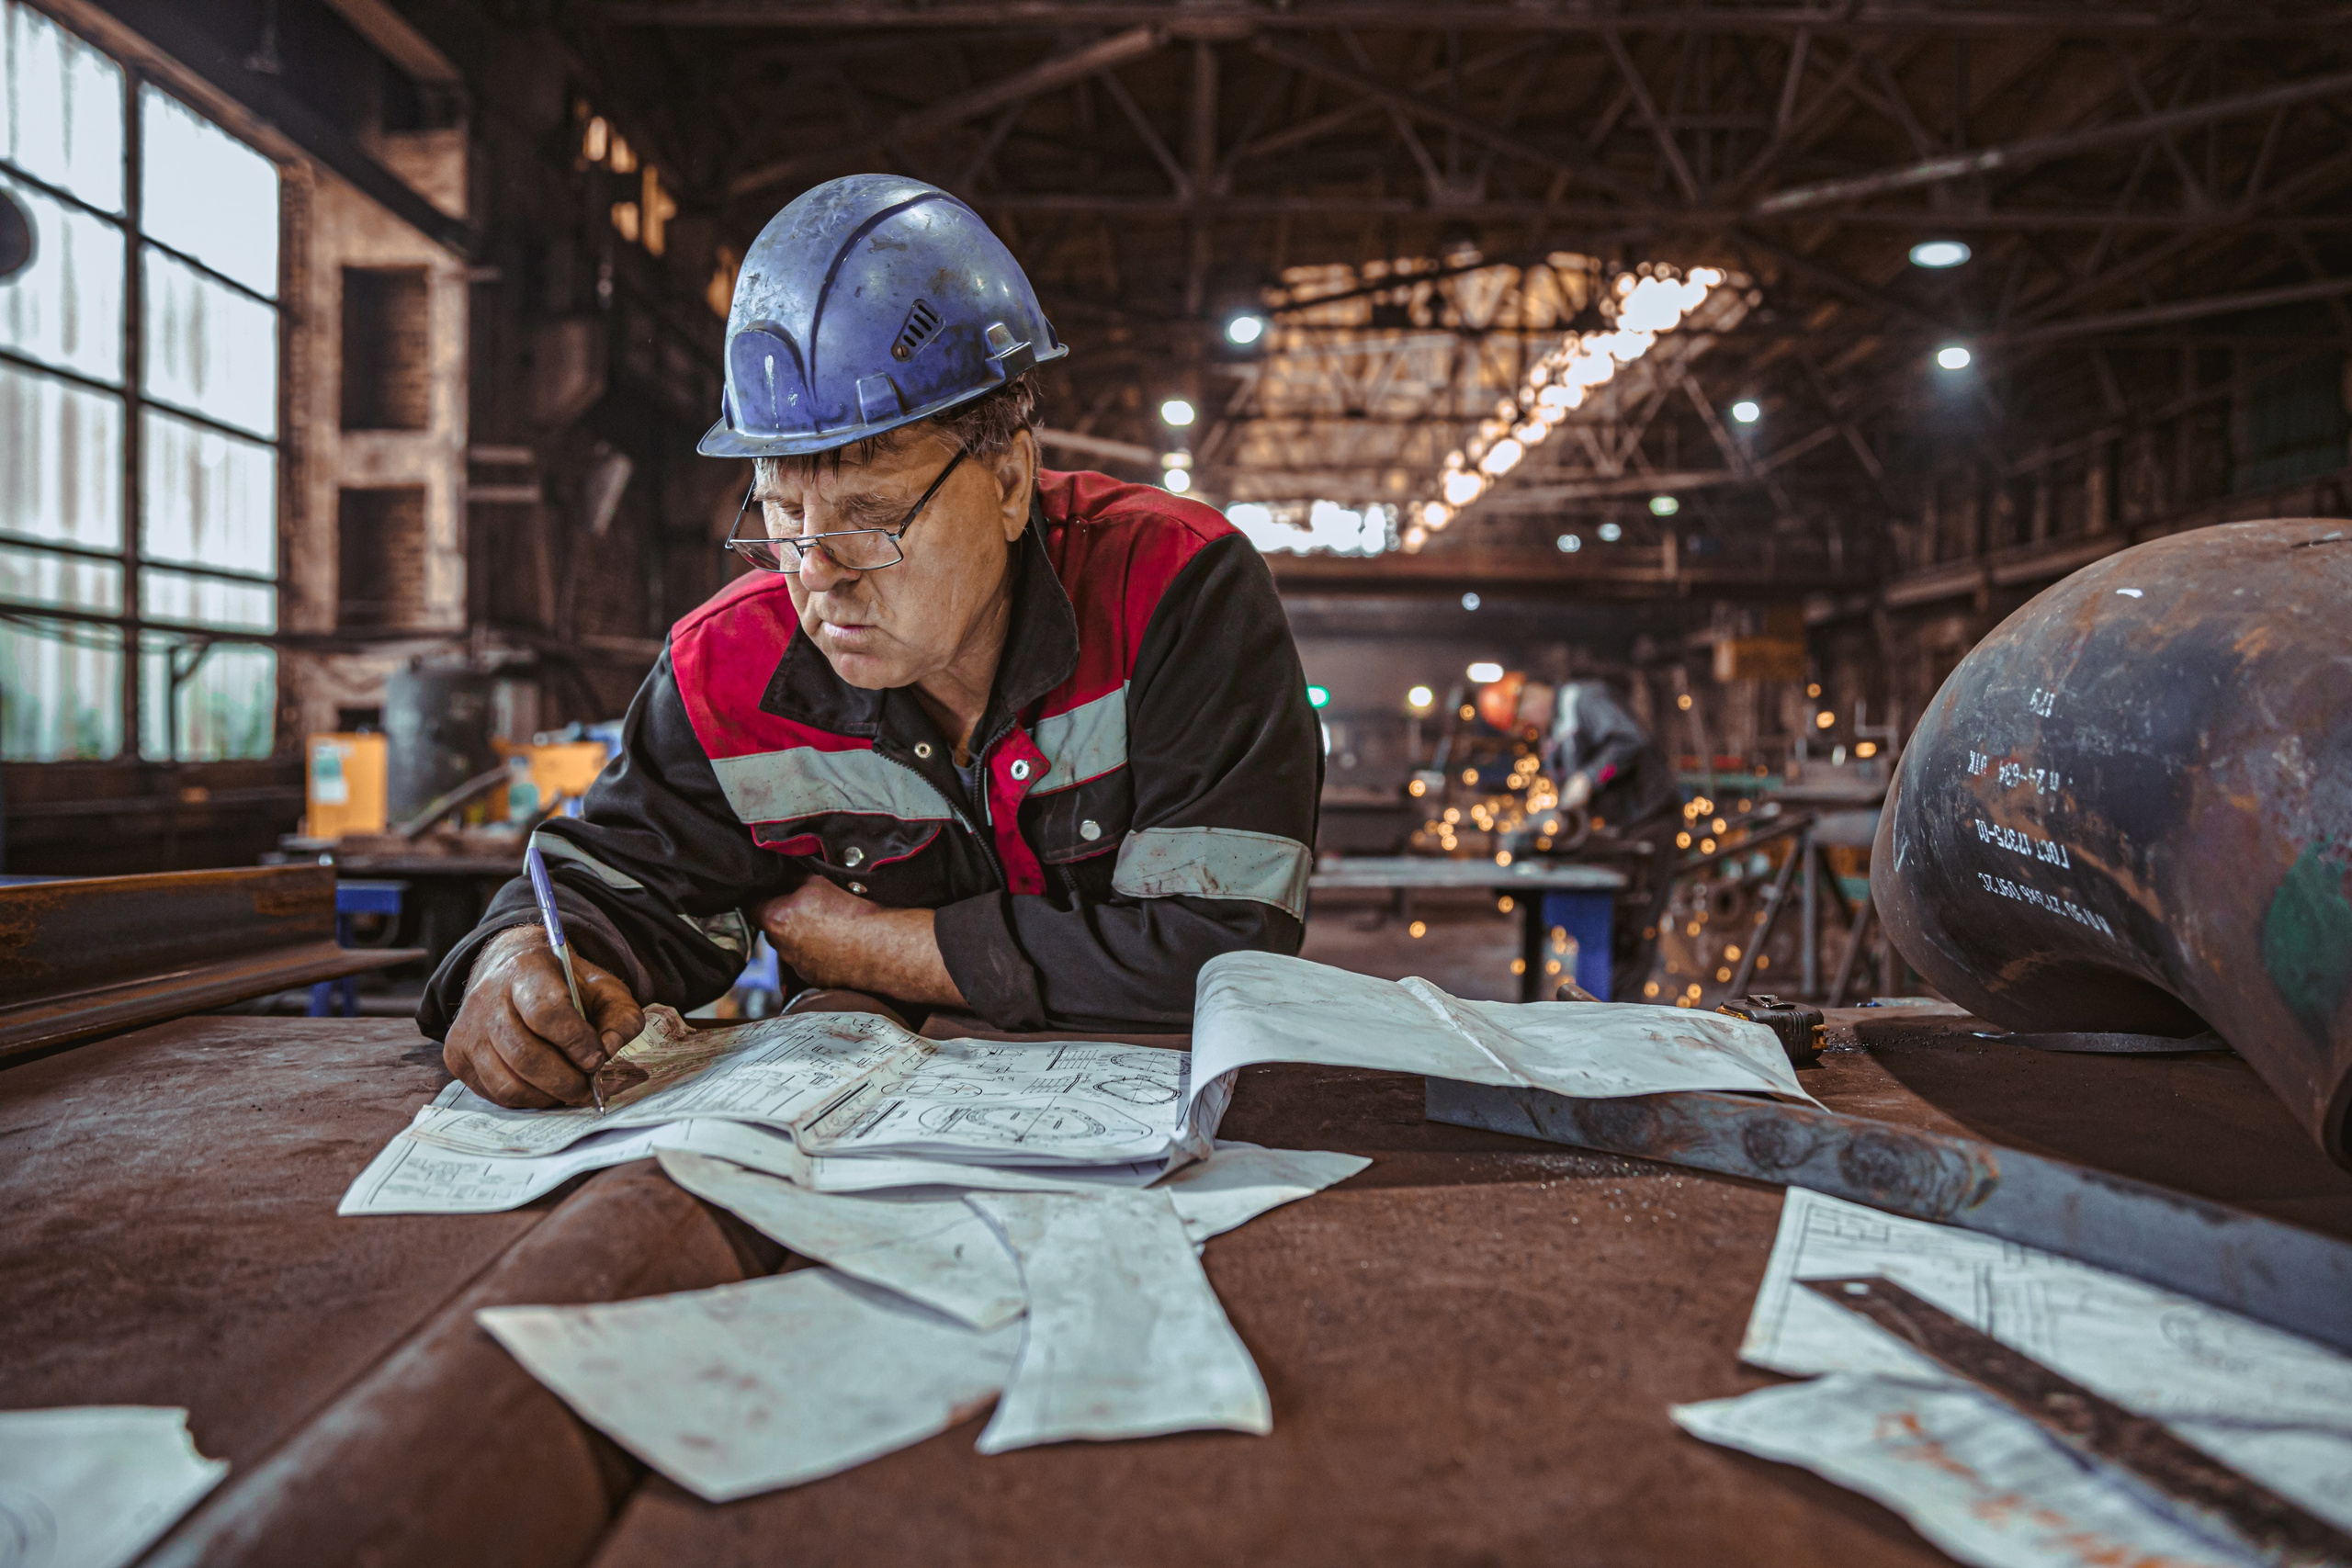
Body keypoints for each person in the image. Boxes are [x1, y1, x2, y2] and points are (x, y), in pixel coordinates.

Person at [419, 175, 1322, 1110]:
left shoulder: (1173, 591)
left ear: (1009, 480)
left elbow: (1224, 949)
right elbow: (612, 885)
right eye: (783, 516)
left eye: (872, 517)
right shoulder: (725, 671)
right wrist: (514, 965)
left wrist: (882, 946)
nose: (816, 571)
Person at [1520, 677, 1679, 1000]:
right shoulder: (1557, 733)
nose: (1524, 728)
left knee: (1636, 931)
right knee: (1618, 932)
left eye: (1521, 719)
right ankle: (1607, 1011)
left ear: (1533, 701)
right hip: (1622, 832)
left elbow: (1630, 741)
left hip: (1650, 821)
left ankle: (1623, 1018)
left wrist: (1591, 778)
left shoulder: (1584, 700)